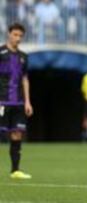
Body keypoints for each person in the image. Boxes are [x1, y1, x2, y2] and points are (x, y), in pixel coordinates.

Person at [0, 23, 33, 179]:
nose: (17, 38)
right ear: (9, 34)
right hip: (2, 101)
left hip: (19, 102)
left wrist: (27, 102)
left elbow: (25, 79)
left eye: (20, 36)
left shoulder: (23, 57)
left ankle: (15, 170)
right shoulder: (1, 52)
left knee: (17, 134)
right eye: (15, 35)